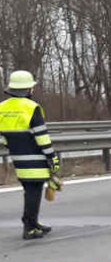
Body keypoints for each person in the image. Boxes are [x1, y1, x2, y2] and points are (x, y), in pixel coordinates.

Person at [0, 71, 59, 239]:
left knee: (29, 190)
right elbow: (42, 137)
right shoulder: (31, 108)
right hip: (36, 158)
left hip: (18, 158)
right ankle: (30, 228)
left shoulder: (2, 107)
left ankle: (33, 223)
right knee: (34, 191)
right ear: (28, 89)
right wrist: (52, 157)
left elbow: (3, 136)